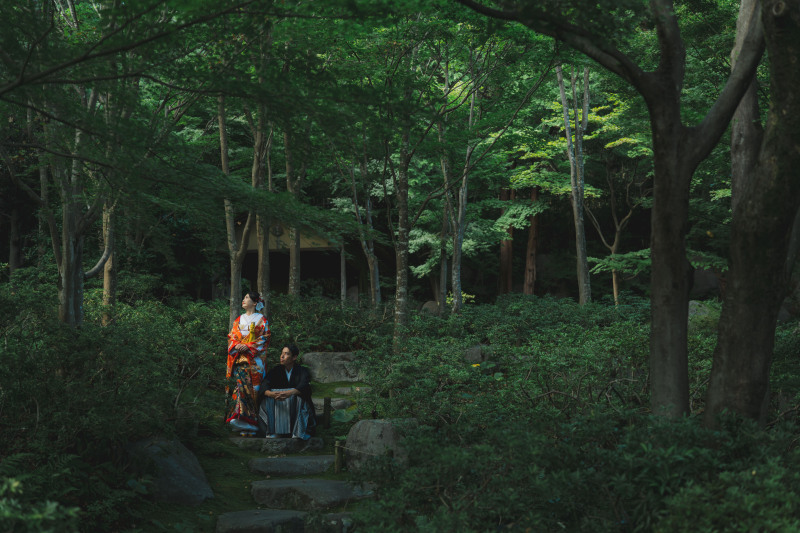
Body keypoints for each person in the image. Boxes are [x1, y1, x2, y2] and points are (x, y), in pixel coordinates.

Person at [225, 291, 270, 436]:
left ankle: (252, 423)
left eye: (246, 298)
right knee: (239, 387)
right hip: (239, 359)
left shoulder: (262, 320)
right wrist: (236, 345)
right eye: (243, 297)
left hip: (254, 362)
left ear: (255, 303)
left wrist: (249, 346)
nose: (243, 300)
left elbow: (265, 338)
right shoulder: (239, 319)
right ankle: (241, 421)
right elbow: (231, 337)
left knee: (253, 390)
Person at [258, 344, 316, 440]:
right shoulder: (276, 370)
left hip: (294, 403)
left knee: (299, 399)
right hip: (278, 402)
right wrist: (271, 394)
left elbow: (304, 386)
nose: (282, 356)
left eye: (286, 354)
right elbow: (265, 384)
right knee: (265, 400)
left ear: (294, 357)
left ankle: (298, 431)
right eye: (282, 353)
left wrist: (290, 393)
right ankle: (272, 431)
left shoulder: (302, 371)